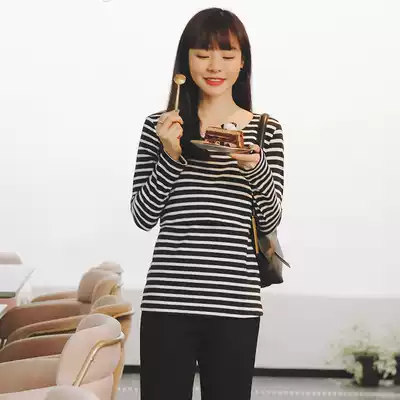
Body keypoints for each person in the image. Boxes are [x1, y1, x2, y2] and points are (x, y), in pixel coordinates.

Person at [130, 7, 284, 400]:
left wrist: (254, 166)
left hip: (236, 304)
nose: (215, 66)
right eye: (202, 54)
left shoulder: (265, 130)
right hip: (168, 301)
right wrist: (170, 155)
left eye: (227, 55)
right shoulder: (160, 127)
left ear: (242, 62)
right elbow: (143, 216)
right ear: (185, 62)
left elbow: (270, 218)